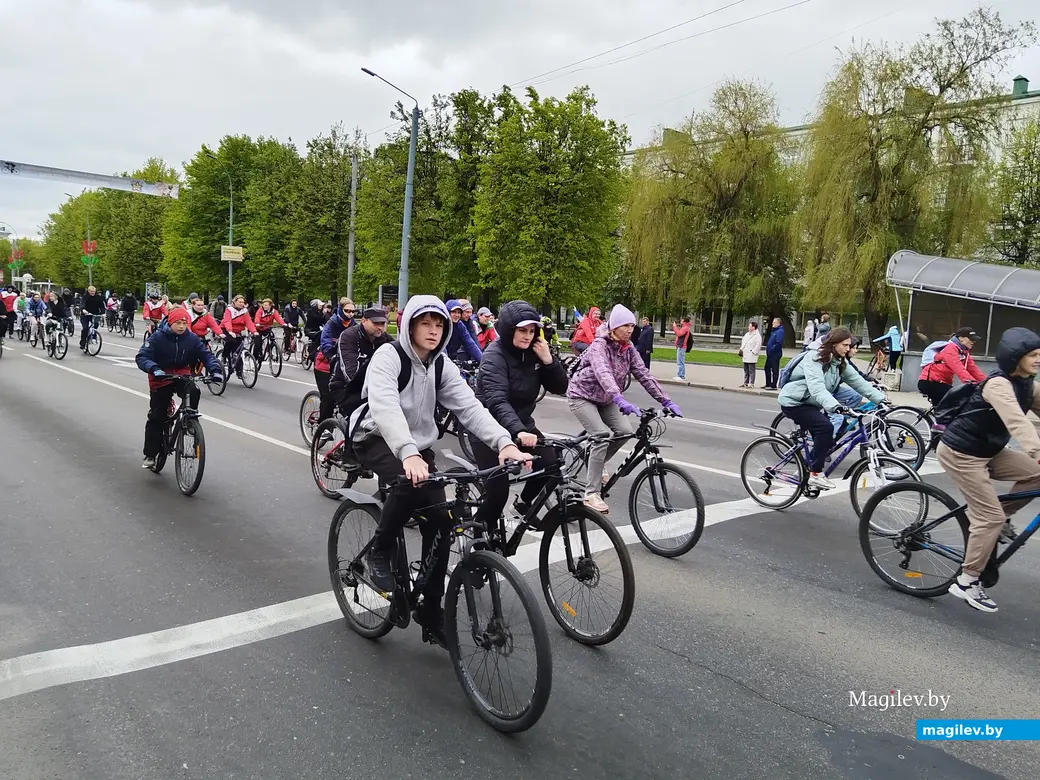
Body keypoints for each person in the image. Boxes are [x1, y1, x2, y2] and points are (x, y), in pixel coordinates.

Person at [349, 295, 531, 645]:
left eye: (438, 325)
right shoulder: (389, 356)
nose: (433, 331)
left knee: (442, 522)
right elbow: (385, 407)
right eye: (425, 323)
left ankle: (431, 610)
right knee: (407, 482)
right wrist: (407, 453)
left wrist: (503, 443)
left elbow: (470, 408)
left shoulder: (441, 365)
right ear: (410, 326)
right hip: (376, 437)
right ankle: (379, 549)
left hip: (416, 446)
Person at [937, 328, 1040, 613]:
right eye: (1033, 354)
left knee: (1035, 476)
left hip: (990, 451)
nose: (1038, 359)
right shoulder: (999, 385)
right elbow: (1018, 423)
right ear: (1015, 357)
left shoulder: (1027, 386)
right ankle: (967, 581)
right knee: (989, 517)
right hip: (962, 453)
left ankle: (998, 520)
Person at [566, 305, 682, 512]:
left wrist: (666, 401)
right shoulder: (600, 345)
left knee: (625, 431)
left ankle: (596, 462)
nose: (630, 330)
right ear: (614, 327)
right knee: (601, 436)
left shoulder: (628, 349)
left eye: (632, 326)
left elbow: (644, 375)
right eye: (625, 325)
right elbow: (603, 372)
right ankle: (591, 494)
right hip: (582, 395)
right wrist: (619, 398)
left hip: (606, 398)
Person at [472, 300, 570, 528]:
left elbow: (560, 387)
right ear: (509, 330)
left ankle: (523, 504)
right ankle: (480, 534)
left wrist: (548, 361)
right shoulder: (494, 355)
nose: (528, 336)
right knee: (498, 492)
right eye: (522, 331)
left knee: (552, 465)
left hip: (522, 423)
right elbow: (496, 401)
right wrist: (519, 432)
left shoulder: (535, 352)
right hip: (488, 426)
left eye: (532, 331)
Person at [777, 327, 887, 490]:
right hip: (795, 402)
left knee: (828, 439)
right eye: (845, 345)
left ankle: (807, 468)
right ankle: (815, 474)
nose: (848, 348)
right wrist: (836, 406)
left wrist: (882, 399)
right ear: (834, 344)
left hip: (811, 403)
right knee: (825, 427)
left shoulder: (839, 362)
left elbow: (858, 382)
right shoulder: (814, 357)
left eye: (849, 345)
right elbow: (817, 388)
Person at [135, 307, 223, 470]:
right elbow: (142, 357)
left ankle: (190, 420)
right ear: (170, 323)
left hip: (182, 373)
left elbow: (206, 355)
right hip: (161, 376)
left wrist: (215, 370)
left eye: (184, 323)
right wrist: (154, 368)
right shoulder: (157, 337)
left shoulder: (191, 338)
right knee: (157, 415)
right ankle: (151, 454)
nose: (182, 326)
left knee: (193, 390)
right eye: (178, 323)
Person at [328, 306, 393, 423]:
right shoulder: (349, 336)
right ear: (364, 321)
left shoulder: (386, 339)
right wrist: (372, 390)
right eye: (376, 323)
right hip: (345, 386)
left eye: (383, 323)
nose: (380, 327)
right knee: (358, 419)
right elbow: (350, 373)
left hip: (374, 387)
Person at [917, 327, 986, 406]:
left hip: (942, 383)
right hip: (930, 383)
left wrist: (987, 383)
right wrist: (973, 384)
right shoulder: (950, 349)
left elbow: (974, 370)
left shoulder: (963, 353)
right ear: (961, 338)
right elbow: (959, 370)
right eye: (971, 339)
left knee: (949, 406)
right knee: (959, 399)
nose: (973, 341)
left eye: (974, 340)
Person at [219, 294, 257, 376]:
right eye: (239, 302)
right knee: (230, 341)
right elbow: (227, 321)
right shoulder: (229, 309)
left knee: (239, 350)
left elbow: (248, 322)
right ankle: (224, 356)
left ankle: (239, 370)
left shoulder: (245, 311)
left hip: (238, 331)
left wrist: (254, 331)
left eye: (243, 302)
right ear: (234, 302)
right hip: (226, 329)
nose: (241, 304)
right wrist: (230, 331)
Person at [318, 297, 355, 362]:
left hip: (350, 358)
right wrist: (330, 354)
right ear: (340, 310)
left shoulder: (354, 325)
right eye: (347, 310)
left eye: (353, 311)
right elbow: (325, 340)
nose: (350, 314)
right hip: (334, 358)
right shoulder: (331, 323)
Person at [253, 298, 286, 363]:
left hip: (267, 328)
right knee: (258, 344)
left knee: (272, 337)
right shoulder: (260, 310)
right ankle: (254, 358)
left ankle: (270, 350)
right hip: (259, 328)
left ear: (270, 305)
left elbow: (278, 318)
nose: (264, 306)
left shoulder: (274, 311)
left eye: (266, 305)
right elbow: (257, 317)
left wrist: (283, 324)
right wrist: (257, 323)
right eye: (263, 305)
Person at [79, 285, 105, 351]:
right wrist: (83, 309)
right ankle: (83, 343)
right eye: (91, 291)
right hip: (85, 314)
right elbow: (82, 303)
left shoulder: (98, 297)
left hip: (94, 314)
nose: (92, 293)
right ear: (88, 291)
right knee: (85, 328)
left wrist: (103, 313)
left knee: (95, 324)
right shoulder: (85, 296)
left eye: (94, 291)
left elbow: (102, 306)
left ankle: (94, 336)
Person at [763, 317, 785, 390]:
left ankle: (774, 385)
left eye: (774, 322)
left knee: (774, 369)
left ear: (778, 323)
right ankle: (768, 383)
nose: (772, 323)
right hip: (770, 354)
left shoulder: (780, 331)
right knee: (767, 368)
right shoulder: (774, 331)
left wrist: (772, 349)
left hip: (775, 353)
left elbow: (778, 342)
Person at [739, 321, 762, 388]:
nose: (748, 327)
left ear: (753, 327)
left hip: (751, 355)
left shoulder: (757, 336)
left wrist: (753, 351)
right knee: (746, 369)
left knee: (751, 370)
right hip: (745, 354)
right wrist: (741, 349)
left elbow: (758, 345)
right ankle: (745, 382)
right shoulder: (747, 334)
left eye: (750, 326)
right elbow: (743, 342)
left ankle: (751, 383)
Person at [672, 315, 691, 380]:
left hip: (681, 346)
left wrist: (674, 327)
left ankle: (681, 375)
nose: (681, 322)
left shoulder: (685, 328)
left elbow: (679, 334)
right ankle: (680, 375)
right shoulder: (684, 327)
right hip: (680, 346)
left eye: (682, 321)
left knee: (680, 361)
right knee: (680, 361)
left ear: (685, 322)